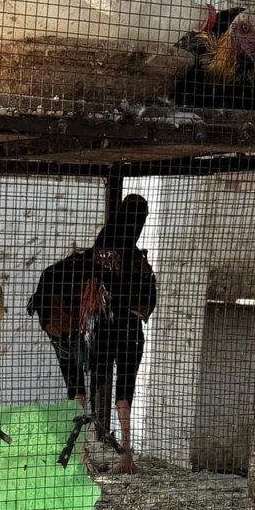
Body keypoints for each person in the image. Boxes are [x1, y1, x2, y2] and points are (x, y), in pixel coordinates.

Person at [89, 194, 157, 472]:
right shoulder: (138, 261)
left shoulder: (103, 247)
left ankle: (89, 452)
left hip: (105, 329)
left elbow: (93, 283)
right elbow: (148, 302)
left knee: (95, 387)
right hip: (130, 330)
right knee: (123, 394)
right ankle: (125, 454)